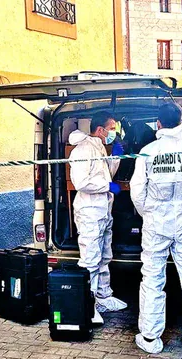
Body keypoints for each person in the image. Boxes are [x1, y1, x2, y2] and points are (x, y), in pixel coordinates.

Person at [130, 103, 182, 354]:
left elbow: (137, 192)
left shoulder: (148, 152)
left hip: (156, 224)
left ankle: (151, 338)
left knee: (152, 278)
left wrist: (150, 214)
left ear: (159, 124)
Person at [68, 112, 129, 321]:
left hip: (103, 210)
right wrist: (108, 186)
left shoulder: (99, 147)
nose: (114, 132)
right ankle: (87, 304)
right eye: (112, 128)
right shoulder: (83, 150)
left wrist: (116, 158)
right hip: (90, 212)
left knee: (104, 256)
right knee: (90, 260)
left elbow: (105, 174)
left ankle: (103, 296)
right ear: (100, 130)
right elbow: (81, 182)